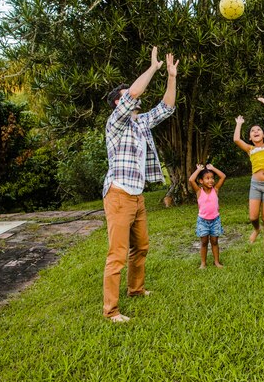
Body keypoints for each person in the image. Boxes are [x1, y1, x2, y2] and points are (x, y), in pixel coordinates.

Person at [102, 46, 179, 323]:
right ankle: (111, 311)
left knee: (141, 247)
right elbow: (134, 93)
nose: (133, 100)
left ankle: (136, 289)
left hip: (137, 196)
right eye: (125, 98)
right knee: (117, 255)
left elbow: (167, 108)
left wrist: (171, 76)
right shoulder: (116, 124)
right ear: (117, 104)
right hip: (119, 195)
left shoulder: (140, 123)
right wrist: (152, 69)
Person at [233, 98, 264, 257]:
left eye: (258, 129)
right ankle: (256, 229)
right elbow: (236, 139)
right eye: (252, 131)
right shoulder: (250, 149)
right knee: (253, 217)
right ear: (250, 138)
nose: (256, 131)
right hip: (256, 185)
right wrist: (239, 123)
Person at [188, 163, 227, 269]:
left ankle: (217, 262)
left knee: (214, 241)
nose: (211, 181)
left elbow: (223, 176)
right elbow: (191, 180)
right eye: (207, 178)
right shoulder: (198, 191)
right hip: (202, 221)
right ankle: (203, 263)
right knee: (204, 242)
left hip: (215, 220)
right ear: (201, 181)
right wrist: (198, 170)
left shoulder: (216, 190)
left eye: (212, 178)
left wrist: (213, 168)